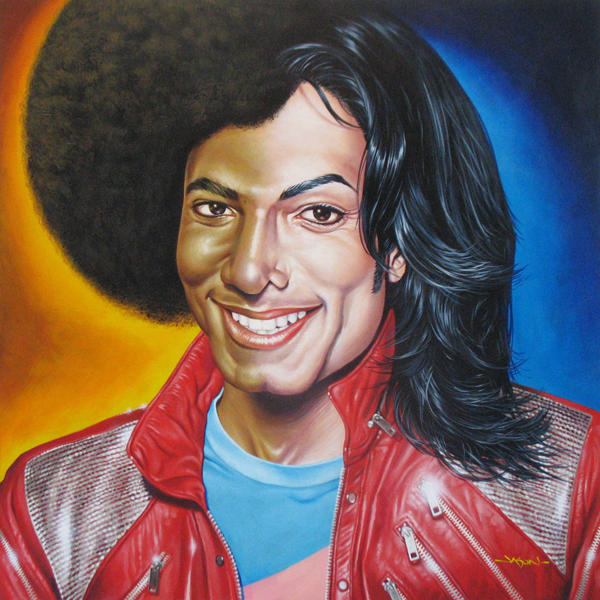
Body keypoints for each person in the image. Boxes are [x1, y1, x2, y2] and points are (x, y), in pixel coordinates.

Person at [1, 1, 599, 599]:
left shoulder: (571, 489)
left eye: (318, 213)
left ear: (399, 245)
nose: (248, 269)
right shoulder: (53, 512)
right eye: (214, 207)